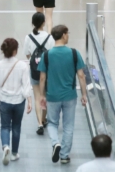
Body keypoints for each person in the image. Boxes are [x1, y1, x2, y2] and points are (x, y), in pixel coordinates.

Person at [37, 25, 87, 165]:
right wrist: (84, 94)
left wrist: (42, 96)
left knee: (52, 123)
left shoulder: (46, 55)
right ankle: (64, 155)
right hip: (70, 96)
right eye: (68, 33)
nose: (68, 36)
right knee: (68, 126)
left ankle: (55, 143)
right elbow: (81, 76)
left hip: (52, 95)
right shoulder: (74, 53)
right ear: (64, 35)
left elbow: (42, 78)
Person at [0, 38, 32, 164]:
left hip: (5, 101)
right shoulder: (22, 66)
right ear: (15, 51)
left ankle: (5, 146)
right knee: (16, 127)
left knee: (5, 126)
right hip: (19, 102)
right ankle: (14, 153)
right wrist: (29, 100)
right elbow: (26, 86)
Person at [24, 12, 55, 135]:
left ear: (33, 23)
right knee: (45, 96)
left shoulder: (28, 37)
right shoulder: (49, 37)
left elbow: (27, 54)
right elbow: (52, 53)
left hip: (35, 70)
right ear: (43, 23)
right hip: (47, 70)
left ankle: (39, 123)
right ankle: (44, 119)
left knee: (37, 97)